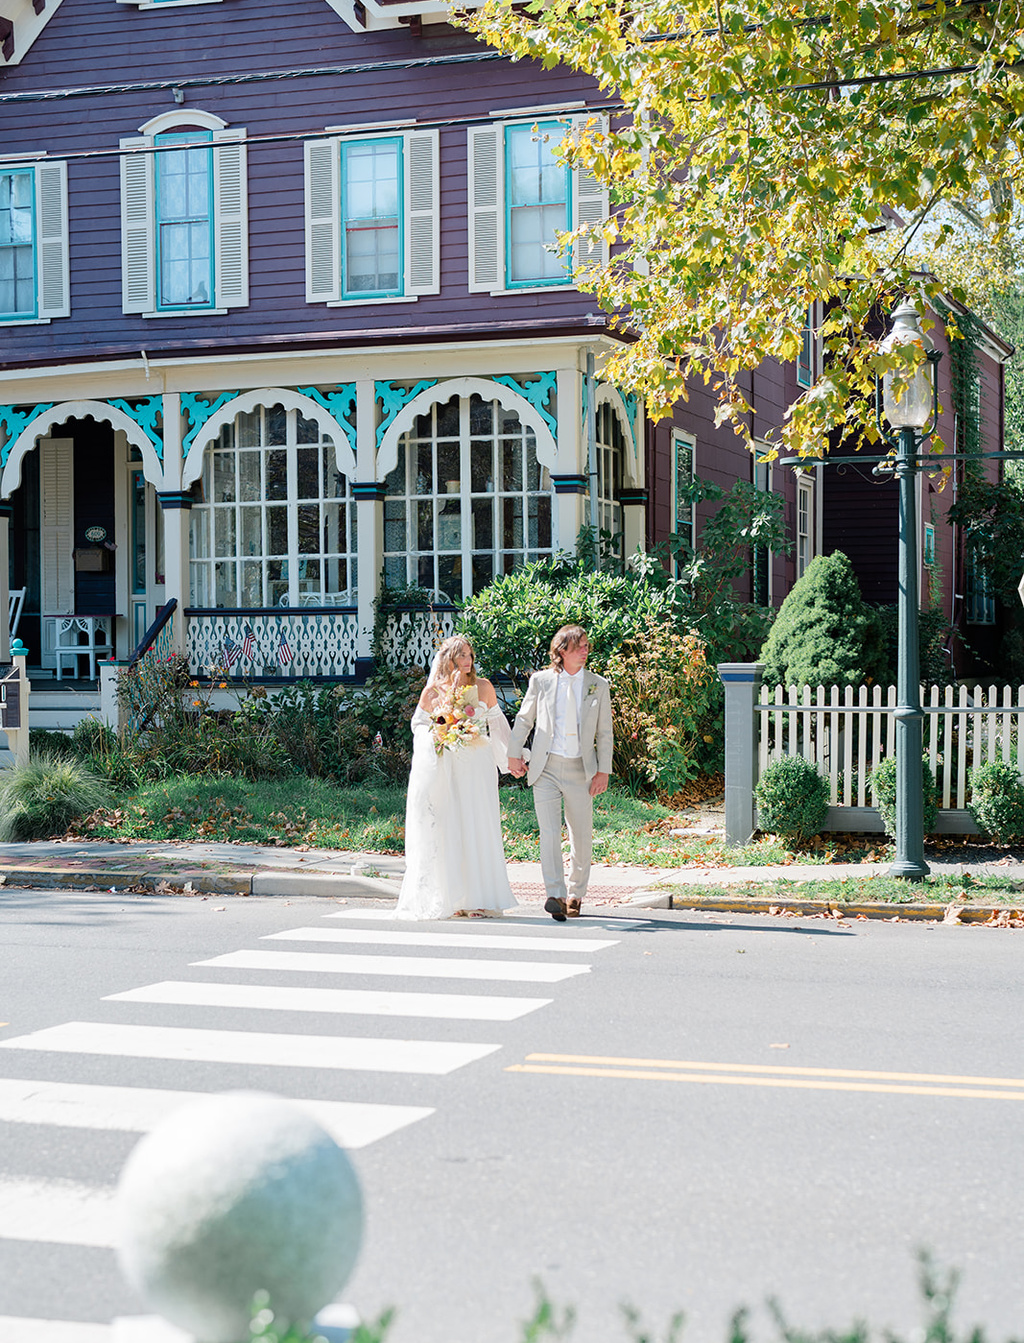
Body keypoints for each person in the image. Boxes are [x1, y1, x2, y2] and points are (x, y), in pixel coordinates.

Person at [396, 635, 518, 921]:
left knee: (477, 824)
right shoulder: (432, 692)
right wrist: (439, 735)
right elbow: (418, 725)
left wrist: (511, 760)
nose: (468, 660)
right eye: (461, 655)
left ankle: (479, 897)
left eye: (470, 655)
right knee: (450, 825)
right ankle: (453, 896)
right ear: (448, 658)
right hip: (446, 766)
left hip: (477, 765)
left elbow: (498, 727)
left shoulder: (483, 687)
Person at [507, 625, 613, 921]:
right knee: (549, 833)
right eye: (578, 646)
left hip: (582, 769)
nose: (585, 650)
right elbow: (525, 718)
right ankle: (555, 894)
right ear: (561, 651)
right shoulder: (541, 681)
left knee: (581, 835)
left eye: (587, 645)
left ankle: (576, 894)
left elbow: (605, 733)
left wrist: (603, 770)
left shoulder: (598, 685)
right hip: (546, 768)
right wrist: (513, 752)